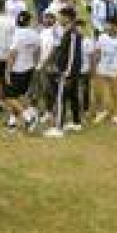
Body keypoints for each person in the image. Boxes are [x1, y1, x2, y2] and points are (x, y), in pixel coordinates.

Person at [45, 9, 85, 138]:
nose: (59, 19)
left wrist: (66, 73)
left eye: (61, 17)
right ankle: (76, 122)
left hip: (68, 72)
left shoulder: (72, 33)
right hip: (71, 71)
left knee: (61, 98)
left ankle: (58, 128)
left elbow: (73, 55)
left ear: (68, 18)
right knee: (73, 96)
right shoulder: (68, 32)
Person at [91, 18, 117, 126]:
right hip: (101, 69)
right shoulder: (102, 37)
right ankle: (100, 111)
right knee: (98, 93)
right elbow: (97, 52)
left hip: (115, 70)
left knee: (115, 94)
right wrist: (94, 68)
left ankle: (115, 116)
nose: (109, 28)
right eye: (108, 26)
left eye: (111, 26)